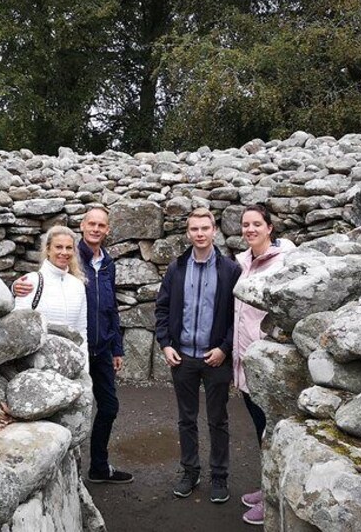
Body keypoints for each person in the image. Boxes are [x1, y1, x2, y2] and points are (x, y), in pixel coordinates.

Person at [13, 207, 133, 484]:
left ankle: (99, 467)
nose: (95, 229)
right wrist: (14, 287)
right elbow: (30, 298)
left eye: (101, 225)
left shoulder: (107, 264)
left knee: (108, 407)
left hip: (99, 348)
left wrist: (117, 347)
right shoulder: (68, 254)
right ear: (82, 225)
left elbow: (110, 308)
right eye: (91, 223)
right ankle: (62, 474)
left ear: (107, 230)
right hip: (60, 356)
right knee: (64, 414)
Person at [155, 207, 241, 503]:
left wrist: (225, 349)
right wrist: (165, 344)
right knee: (186, 420)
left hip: (215, 358)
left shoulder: (230, 270)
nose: (200, 234)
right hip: (183, 359)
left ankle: (220, 476)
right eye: (194, 229)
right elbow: (163, 309)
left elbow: (236, 316)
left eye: (205, 228)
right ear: (188, 232)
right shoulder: (176, 268)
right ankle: (190, 472)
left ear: (214, 229)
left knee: (218, 420)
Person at [233, 204, 295, 526]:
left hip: (267, 366)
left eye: (257, 224)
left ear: (270, 228)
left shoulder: (283, 262)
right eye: (246, 224)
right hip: (245, 364)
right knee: (261, 433)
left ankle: (272, 501)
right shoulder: (243, 263)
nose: (250, 229)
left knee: (270, 433)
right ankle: (265, 485)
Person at [13, 225, 88, 357]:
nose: (64, 252)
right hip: (38, 365)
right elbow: (18, 327)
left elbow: (81, 331)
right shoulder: (31, 282)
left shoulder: (78, 286)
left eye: (69, 248)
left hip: (71, 365)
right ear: (47, 249)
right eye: (58, 247)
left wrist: (84, 367)